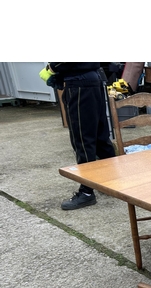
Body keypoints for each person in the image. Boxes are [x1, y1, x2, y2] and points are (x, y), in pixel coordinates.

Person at [39, 62, 116, 210]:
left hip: (80, 84)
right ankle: (111, 182)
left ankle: (86, 193)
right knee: (100, 137)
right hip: (94, 80)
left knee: (82, 139)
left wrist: (52, 67)